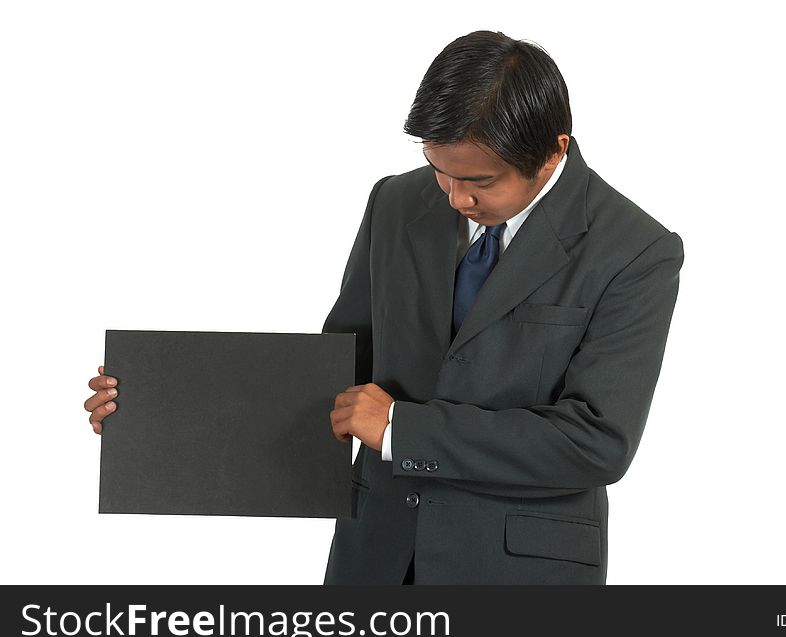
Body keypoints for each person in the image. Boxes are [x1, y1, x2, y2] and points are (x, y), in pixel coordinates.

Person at [85, 30, 684, 585]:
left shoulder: (636, 250)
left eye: (480, 180)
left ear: (553, 152)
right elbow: (338, 373)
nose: (455, 198)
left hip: (519, 571)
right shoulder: (397, 202)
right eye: (438, 171)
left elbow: (596, 442)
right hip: (372, 555)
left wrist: (405, 428)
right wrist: (155, 408)